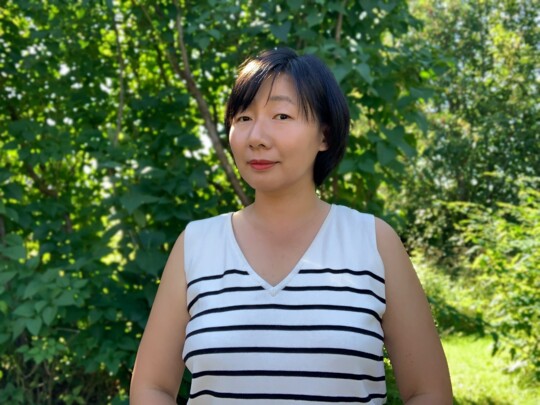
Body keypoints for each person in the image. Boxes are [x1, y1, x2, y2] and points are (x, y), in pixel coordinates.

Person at [130, 48, 452, 404]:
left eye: (281, 115)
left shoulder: (374, 242)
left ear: (324, 135)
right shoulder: (196, 245)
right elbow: (151, 387)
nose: (257, 136)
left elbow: (428, 391)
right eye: (243, 118)